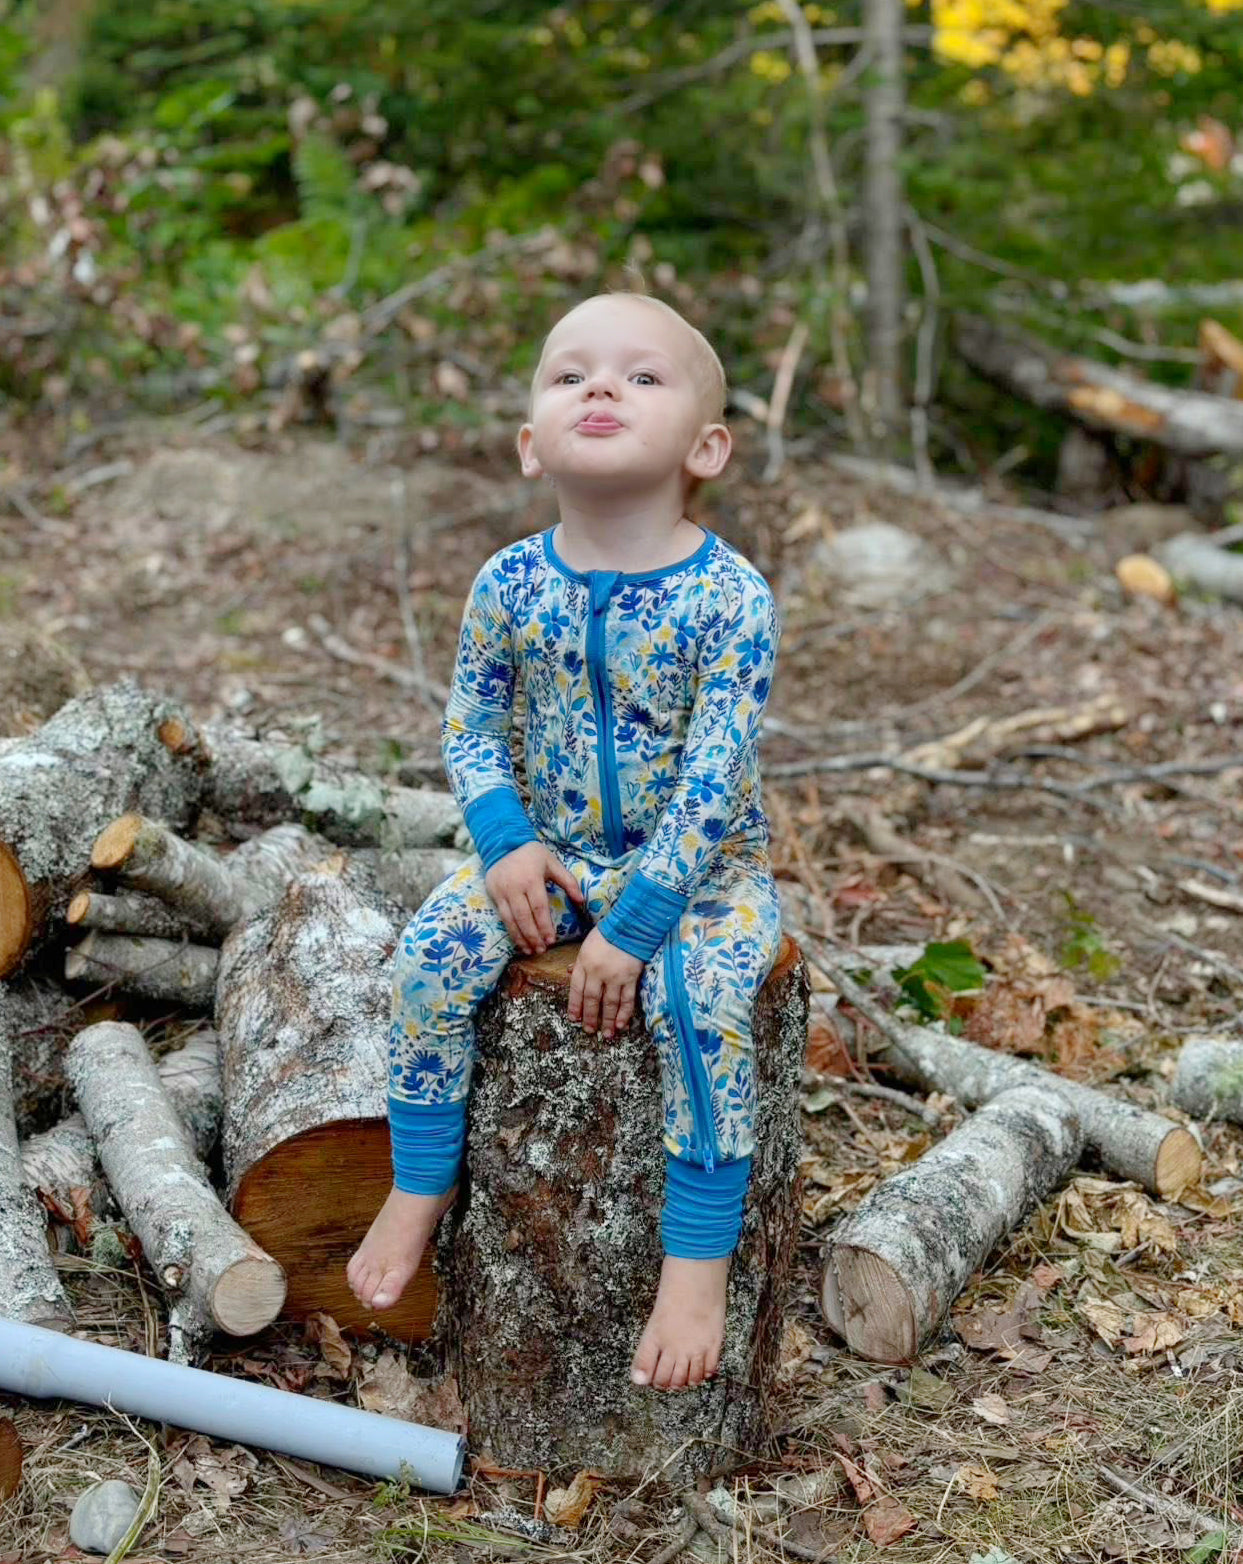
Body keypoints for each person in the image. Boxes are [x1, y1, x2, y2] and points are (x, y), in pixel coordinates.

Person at [347, 288, 782, 1392]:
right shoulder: (509, 583)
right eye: (571, 373)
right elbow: (472, 724)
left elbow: (715, 774)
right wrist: (503, 845)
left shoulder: (729, 597)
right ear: (530, 443)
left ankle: (696, 1261)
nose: (602, 387)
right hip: (553, 854)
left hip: (701, 872)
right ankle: (421, 1180)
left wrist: (639, 925)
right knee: (433, 954)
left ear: (707, 447)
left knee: (705, 1000)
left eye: (642, 375)